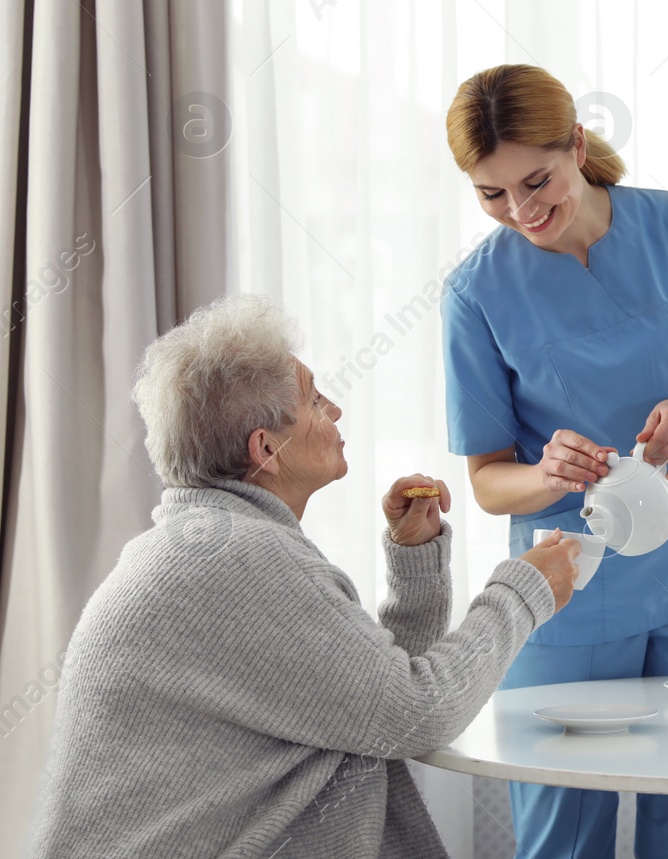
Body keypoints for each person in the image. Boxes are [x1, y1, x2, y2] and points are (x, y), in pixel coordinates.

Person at [26, 294, 581, 858]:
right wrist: (524, 590)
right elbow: (417, 713)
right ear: (266, 449)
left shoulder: (207, 542)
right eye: (315, 400)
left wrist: (416, 561)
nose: (335, 410)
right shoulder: (234, 557)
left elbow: (369, 706)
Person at [441, 64, 668, 859]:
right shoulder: (474, 293)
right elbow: (485, 479)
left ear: (578, 145)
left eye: (536, 180)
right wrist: (546, 474)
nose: (521, 210)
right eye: (491, 194)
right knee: (561, 834)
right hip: (565, 587)